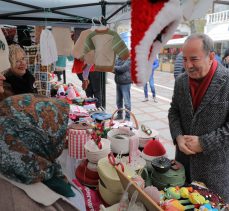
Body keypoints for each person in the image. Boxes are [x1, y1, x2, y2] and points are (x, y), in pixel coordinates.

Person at [168, 33, 229, 203]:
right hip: (183, 166)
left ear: (211, 56)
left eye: (194, 59)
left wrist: (203, 143)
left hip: (215, 171)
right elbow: (174, 112)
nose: (188, 65)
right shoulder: (181, 81)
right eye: (185, 59)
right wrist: (178, 136)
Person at [0, 93, 85, 211]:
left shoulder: (34, 167)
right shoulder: (24, 204)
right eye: (56, 126)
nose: (65, 134)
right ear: (35, 137)